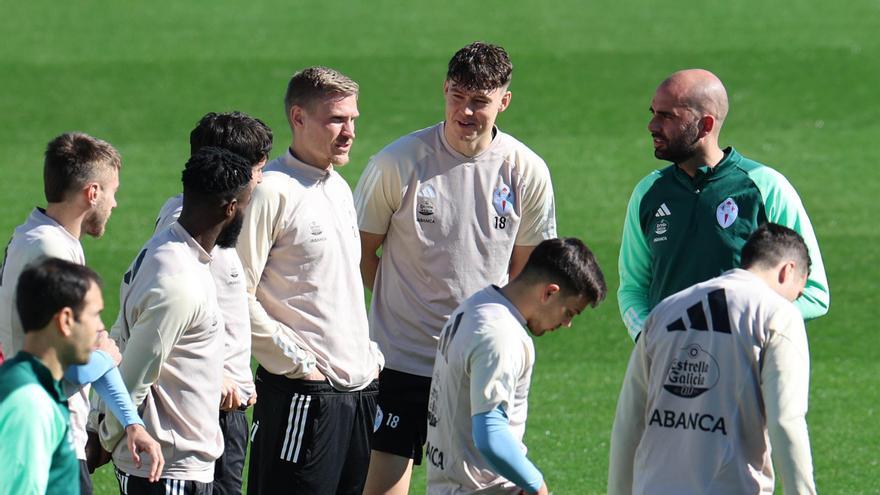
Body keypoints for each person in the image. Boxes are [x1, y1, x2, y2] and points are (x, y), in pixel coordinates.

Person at [353, 41, 558, 494]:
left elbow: (527, 271)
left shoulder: (526, 171)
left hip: (477, 361)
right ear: (445, 90)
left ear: (504, 101)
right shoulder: (398, 162)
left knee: (478, 486)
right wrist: (396, 308)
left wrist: (488, 337)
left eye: (480, 102)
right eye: (457, 97)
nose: (466, 112)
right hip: (402, 358)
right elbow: (361, 253)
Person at [236, 67, 383, 494]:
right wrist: (298, 365)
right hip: (304, 395)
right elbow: (234, 291)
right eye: (336, 119)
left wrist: (369, 358)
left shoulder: (337, 186)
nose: (349, 131)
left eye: (353, 119)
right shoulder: (272, 192)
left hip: (358, 393)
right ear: (298, 118)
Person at [0, 132, 161, 493]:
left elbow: (92, 348)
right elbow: (69, 360)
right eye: (113, 191)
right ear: (92, 193)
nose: (115, 203)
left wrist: (130, 421)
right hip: (52, 431)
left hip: (56, 424)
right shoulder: (50, 249)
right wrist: (104, 358)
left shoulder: (49, 238)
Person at [617, 69, 829, 342]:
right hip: (670, 364)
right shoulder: (648, 193)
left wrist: (747, 331)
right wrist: (649, 337)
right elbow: (633, 288)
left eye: (667, 116)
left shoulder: (766, 188)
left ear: (705, 126)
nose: (652, 125)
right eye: (653, 112)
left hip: (746, 369)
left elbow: (813, 292)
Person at [608, 223, 817, 494]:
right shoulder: (778, 315)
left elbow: (629, 422)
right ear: (788, 270)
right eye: (798, 292)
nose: (794, 300)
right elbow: (785, 421)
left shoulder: (665, 311)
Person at [98, 147, 253, 494]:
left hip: (171, 465)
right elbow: (137, 371)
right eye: (246, 205)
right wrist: (107, 437)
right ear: (230, 209)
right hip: (167, 470)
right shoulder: (179, 281)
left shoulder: (166, 249)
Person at [426, 238, 606, 495]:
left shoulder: (475, 306)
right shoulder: (501, 336)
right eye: (570, 312)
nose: (567, 324)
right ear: (549, 293)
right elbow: (490, 434)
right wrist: (536, 484)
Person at [153, 111, 272, 495]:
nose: (260, 179)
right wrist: (218, 376)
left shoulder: (205, 223)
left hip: (222, 407)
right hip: (205, 411)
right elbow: (165, 314)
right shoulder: (192, 231)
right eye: (257, 169)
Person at [0, 259, 118, 495]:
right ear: (65, 321)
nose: (101, 327)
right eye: (95, 315)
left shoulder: (34, 384)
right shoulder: (30, 402)